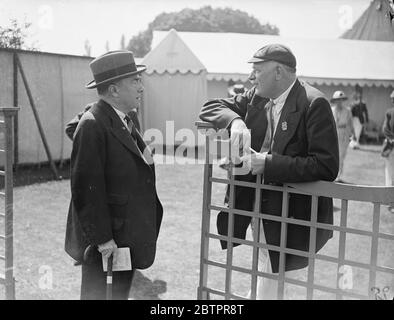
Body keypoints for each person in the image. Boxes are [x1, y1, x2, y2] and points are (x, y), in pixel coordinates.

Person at [199, 44, 339, 299]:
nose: (252, 77)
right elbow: (210, 107)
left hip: (294, 215)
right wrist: (236, 121)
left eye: (257, 70)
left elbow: (326, 165)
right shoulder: (258, 95)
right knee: (269, 270)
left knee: (274, 272)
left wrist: (269, 163)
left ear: (278, 72)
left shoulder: (314, 102)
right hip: (259, 207)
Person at [64, 50, 163, 300]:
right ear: (114, 90)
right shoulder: (92, 124)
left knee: (117, 296)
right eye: (135, 81)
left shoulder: (126, 119)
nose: (141, 86)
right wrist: (103, 239)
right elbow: (85, 190)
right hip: (108, 242)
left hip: (126, 235)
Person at [330, 91, 355, 183]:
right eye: (337, 100)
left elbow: (350, 123)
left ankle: (338, 175)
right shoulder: (331, 109)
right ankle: (332, 174)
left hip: (343, 134)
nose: (339, 102)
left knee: (341, 156)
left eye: (341, 100)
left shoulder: (347, 110)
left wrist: (351, 135)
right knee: (332, 155)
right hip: (333, 133)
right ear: (335, 101)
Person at [381, 90, 394, 213]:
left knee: (390, 175)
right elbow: (385, 129)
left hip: (391, 145)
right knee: (390, 175)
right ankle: (390, 202)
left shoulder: (389, 112)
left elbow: (385, 128)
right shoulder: (389, 112)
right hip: (391, 147)